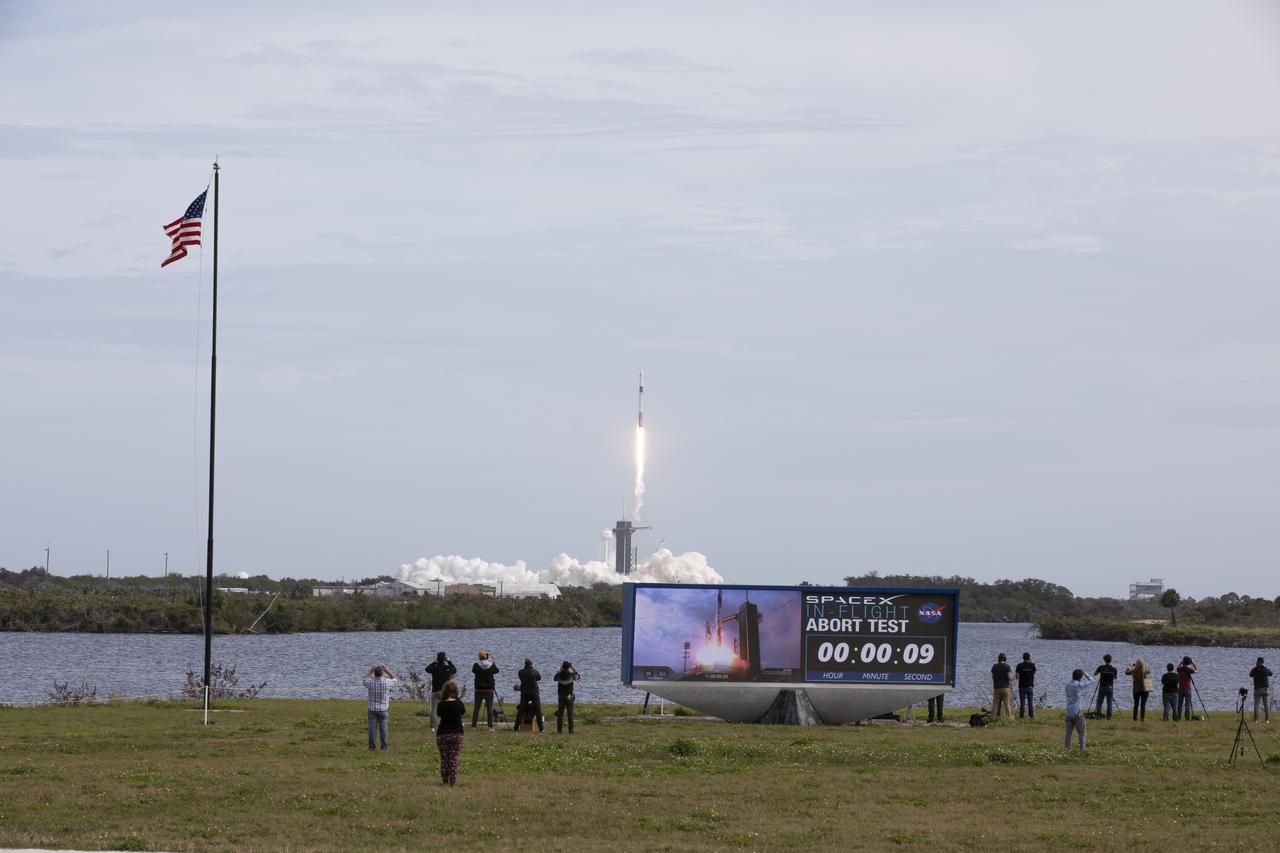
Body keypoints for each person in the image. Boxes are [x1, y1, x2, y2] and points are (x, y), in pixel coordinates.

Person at [434, 680, 466, 786]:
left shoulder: (441, 705)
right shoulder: (459, 704)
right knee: (453, 759)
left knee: (444, 759)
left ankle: (445, 781)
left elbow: (439, 714)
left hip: (443, 734)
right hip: (457, 734)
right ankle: (452, 782)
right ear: (456, 691)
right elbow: (463, 711)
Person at [361, 664, 396, 751]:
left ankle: (372, 747)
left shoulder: (370, 682)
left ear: (374, 673)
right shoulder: (386, 682)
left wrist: (370, 671)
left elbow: (364, 679)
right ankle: (384, 748)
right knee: (384, 729)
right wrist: (387, 670)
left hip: (372, 709)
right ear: (382, 674)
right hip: (383, 709)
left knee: (372, 729)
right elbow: (395, 679)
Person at [1063, 668, 1094, 752]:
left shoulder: (1067, 685)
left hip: (1068, 712)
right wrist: (1085, 673)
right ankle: (1082, 751)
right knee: (1082, 733)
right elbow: (1092, 680)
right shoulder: (1079, 685)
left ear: (1072, 675)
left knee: (1068, 734)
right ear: (1080, 677)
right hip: (1077, 713)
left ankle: (1067, 750)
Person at [425, 651, 457, 732]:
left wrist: (434, 662)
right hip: (445, 691)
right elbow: (454, 670)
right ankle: (449, 724)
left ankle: (432, 727)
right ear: (444, 659)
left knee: (433, 709)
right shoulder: (446, 668)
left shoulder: (434, 668)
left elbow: (427, 669)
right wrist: (449, 661)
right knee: (448, 708)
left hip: (435, 691)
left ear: (437, 658)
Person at [471, 650, 499, 730]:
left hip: (478, 690)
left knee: (476, 708)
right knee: (489, 708)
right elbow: (497, 671)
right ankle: (490, 727)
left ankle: (474, 726)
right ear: (486, 656)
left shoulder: (476, 665)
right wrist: (489, 660)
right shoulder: (491, 665)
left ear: (479, 657)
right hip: (489, 690)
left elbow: (473, 671)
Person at [514, 658, 543, 733]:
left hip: (524, 693)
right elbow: (539, 678)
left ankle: (516, 727)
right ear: (531, 664)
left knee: (521, 710)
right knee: (538, 711)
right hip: (534, 693)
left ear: (525, 664)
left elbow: (521, 676)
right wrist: (533, 668)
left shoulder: (521, 672)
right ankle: (541, 729)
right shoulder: (535, 672)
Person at [553, 660, 579, 734]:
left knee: (560, 714)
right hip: (569, 697)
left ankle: (559, 731)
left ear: (562, 667)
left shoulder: (559, 675)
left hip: (561, 697)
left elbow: (554, 678)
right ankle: (571, 731)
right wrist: (572, 667)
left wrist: (560, 670)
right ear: (568, 667)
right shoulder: (571, 675)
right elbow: (578, 676)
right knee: (570, 714)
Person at [1094, 654, 1118, 720]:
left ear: (1104, 660)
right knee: (1109, 703)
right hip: (1110, 687)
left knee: (1099, 702)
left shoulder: (1101, 667)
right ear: (1111, 660)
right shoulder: (1114, 669)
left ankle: (1097, 716)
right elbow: (1116, 678)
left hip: (1102, 686)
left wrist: (1101, 673)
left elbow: (1095, 674)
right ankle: (1109, 717)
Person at [1249, 656, 1272, 723]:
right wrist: (1264, 667)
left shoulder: (1255, 669)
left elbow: (1250, 675)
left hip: (1257, 690)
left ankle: (1256, 720)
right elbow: (1271, 674)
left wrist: (1256, 667)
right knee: (1266, 705)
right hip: (1265, 689)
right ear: (1263, 662)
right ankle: (1267, 720)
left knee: (1256, 705)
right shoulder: (1266, 669)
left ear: (1257, 662)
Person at [990, 653, 1013, 719]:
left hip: (996, 688)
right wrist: (1012, 676)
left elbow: (993, 676)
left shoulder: (994, 666)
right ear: (1005, 659)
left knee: (995, 704)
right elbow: (1009, 677)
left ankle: (992, 717)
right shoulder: (1007, 666)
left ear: (998, 659)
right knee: (1007, 704)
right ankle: (1009, 717)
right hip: (1005, 688)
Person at [1015, 652, 1037, 719]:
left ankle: (1021, 717)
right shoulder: (1032, 665)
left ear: (1023, 658)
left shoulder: (1019, 665)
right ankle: (1031, 716)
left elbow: (1017, 677)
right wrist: (1031, 662)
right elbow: (1034, 672)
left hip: (1022, 687)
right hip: (1030, 686)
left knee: (1022, 703)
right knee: (1030, 703)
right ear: (1029, 658)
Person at [1176, 656, 1197, 722]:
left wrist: (1180, 662)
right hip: (1187, 689)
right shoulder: (1189, 670)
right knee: (1187, 704)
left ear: (1183, 662)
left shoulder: (1179, 669)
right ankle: (1187, 718)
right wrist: (1193, 663)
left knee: (1179, 704)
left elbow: (1177, 667)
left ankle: (1178, 717)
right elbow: (1196, 670)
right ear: (1188, 663)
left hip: (1180, 689)